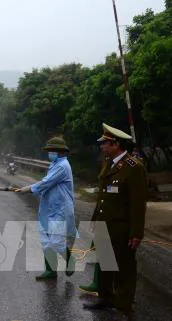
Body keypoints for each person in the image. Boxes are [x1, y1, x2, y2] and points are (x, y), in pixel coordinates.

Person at [82, 123, 147, 318]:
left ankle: (123, 304)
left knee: (124, 266)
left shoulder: (133, 167)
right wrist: (95, 219)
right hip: (104, 223)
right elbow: (103, 196)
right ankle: (105, 298)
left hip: (121, 226)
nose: (102, 146)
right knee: (104, 263)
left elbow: (138, 204)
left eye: (105, 143)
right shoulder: (109, 163)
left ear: (116, 144)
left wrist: (136, 232)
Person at [15, 136, 77, 280]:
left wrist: (28, 189)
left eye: (52, 151)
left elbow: (46, 183)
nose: (50, 153)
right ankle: (50, 271)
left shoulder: (62, 166)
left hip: (59, 209)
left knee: (56, 241)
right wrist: (30, 190)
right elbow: (47, 186)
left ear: (61, 152)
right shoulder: (55, 164)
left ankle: (70, 260)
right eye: (49, 151)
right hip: (49, 208)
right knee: (46, 240)